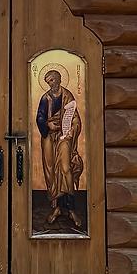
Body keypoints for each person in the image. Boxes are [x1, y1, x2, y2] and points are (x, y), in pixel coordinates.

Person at [36, 69, 83, 228]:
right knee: (50, 171)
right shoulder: (45, 98)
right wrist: (47, 124)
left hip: (64, 136)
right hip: (49, 136)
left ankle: (70, 209)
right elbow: (40, 117)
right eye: (48, 81)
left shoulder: (67, 96)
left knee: (65, 169)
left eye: (52, 80)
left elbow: (75, 118)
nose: (51, 84)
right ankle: (56, 208)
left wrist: (71, 131)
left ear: (59, 79)